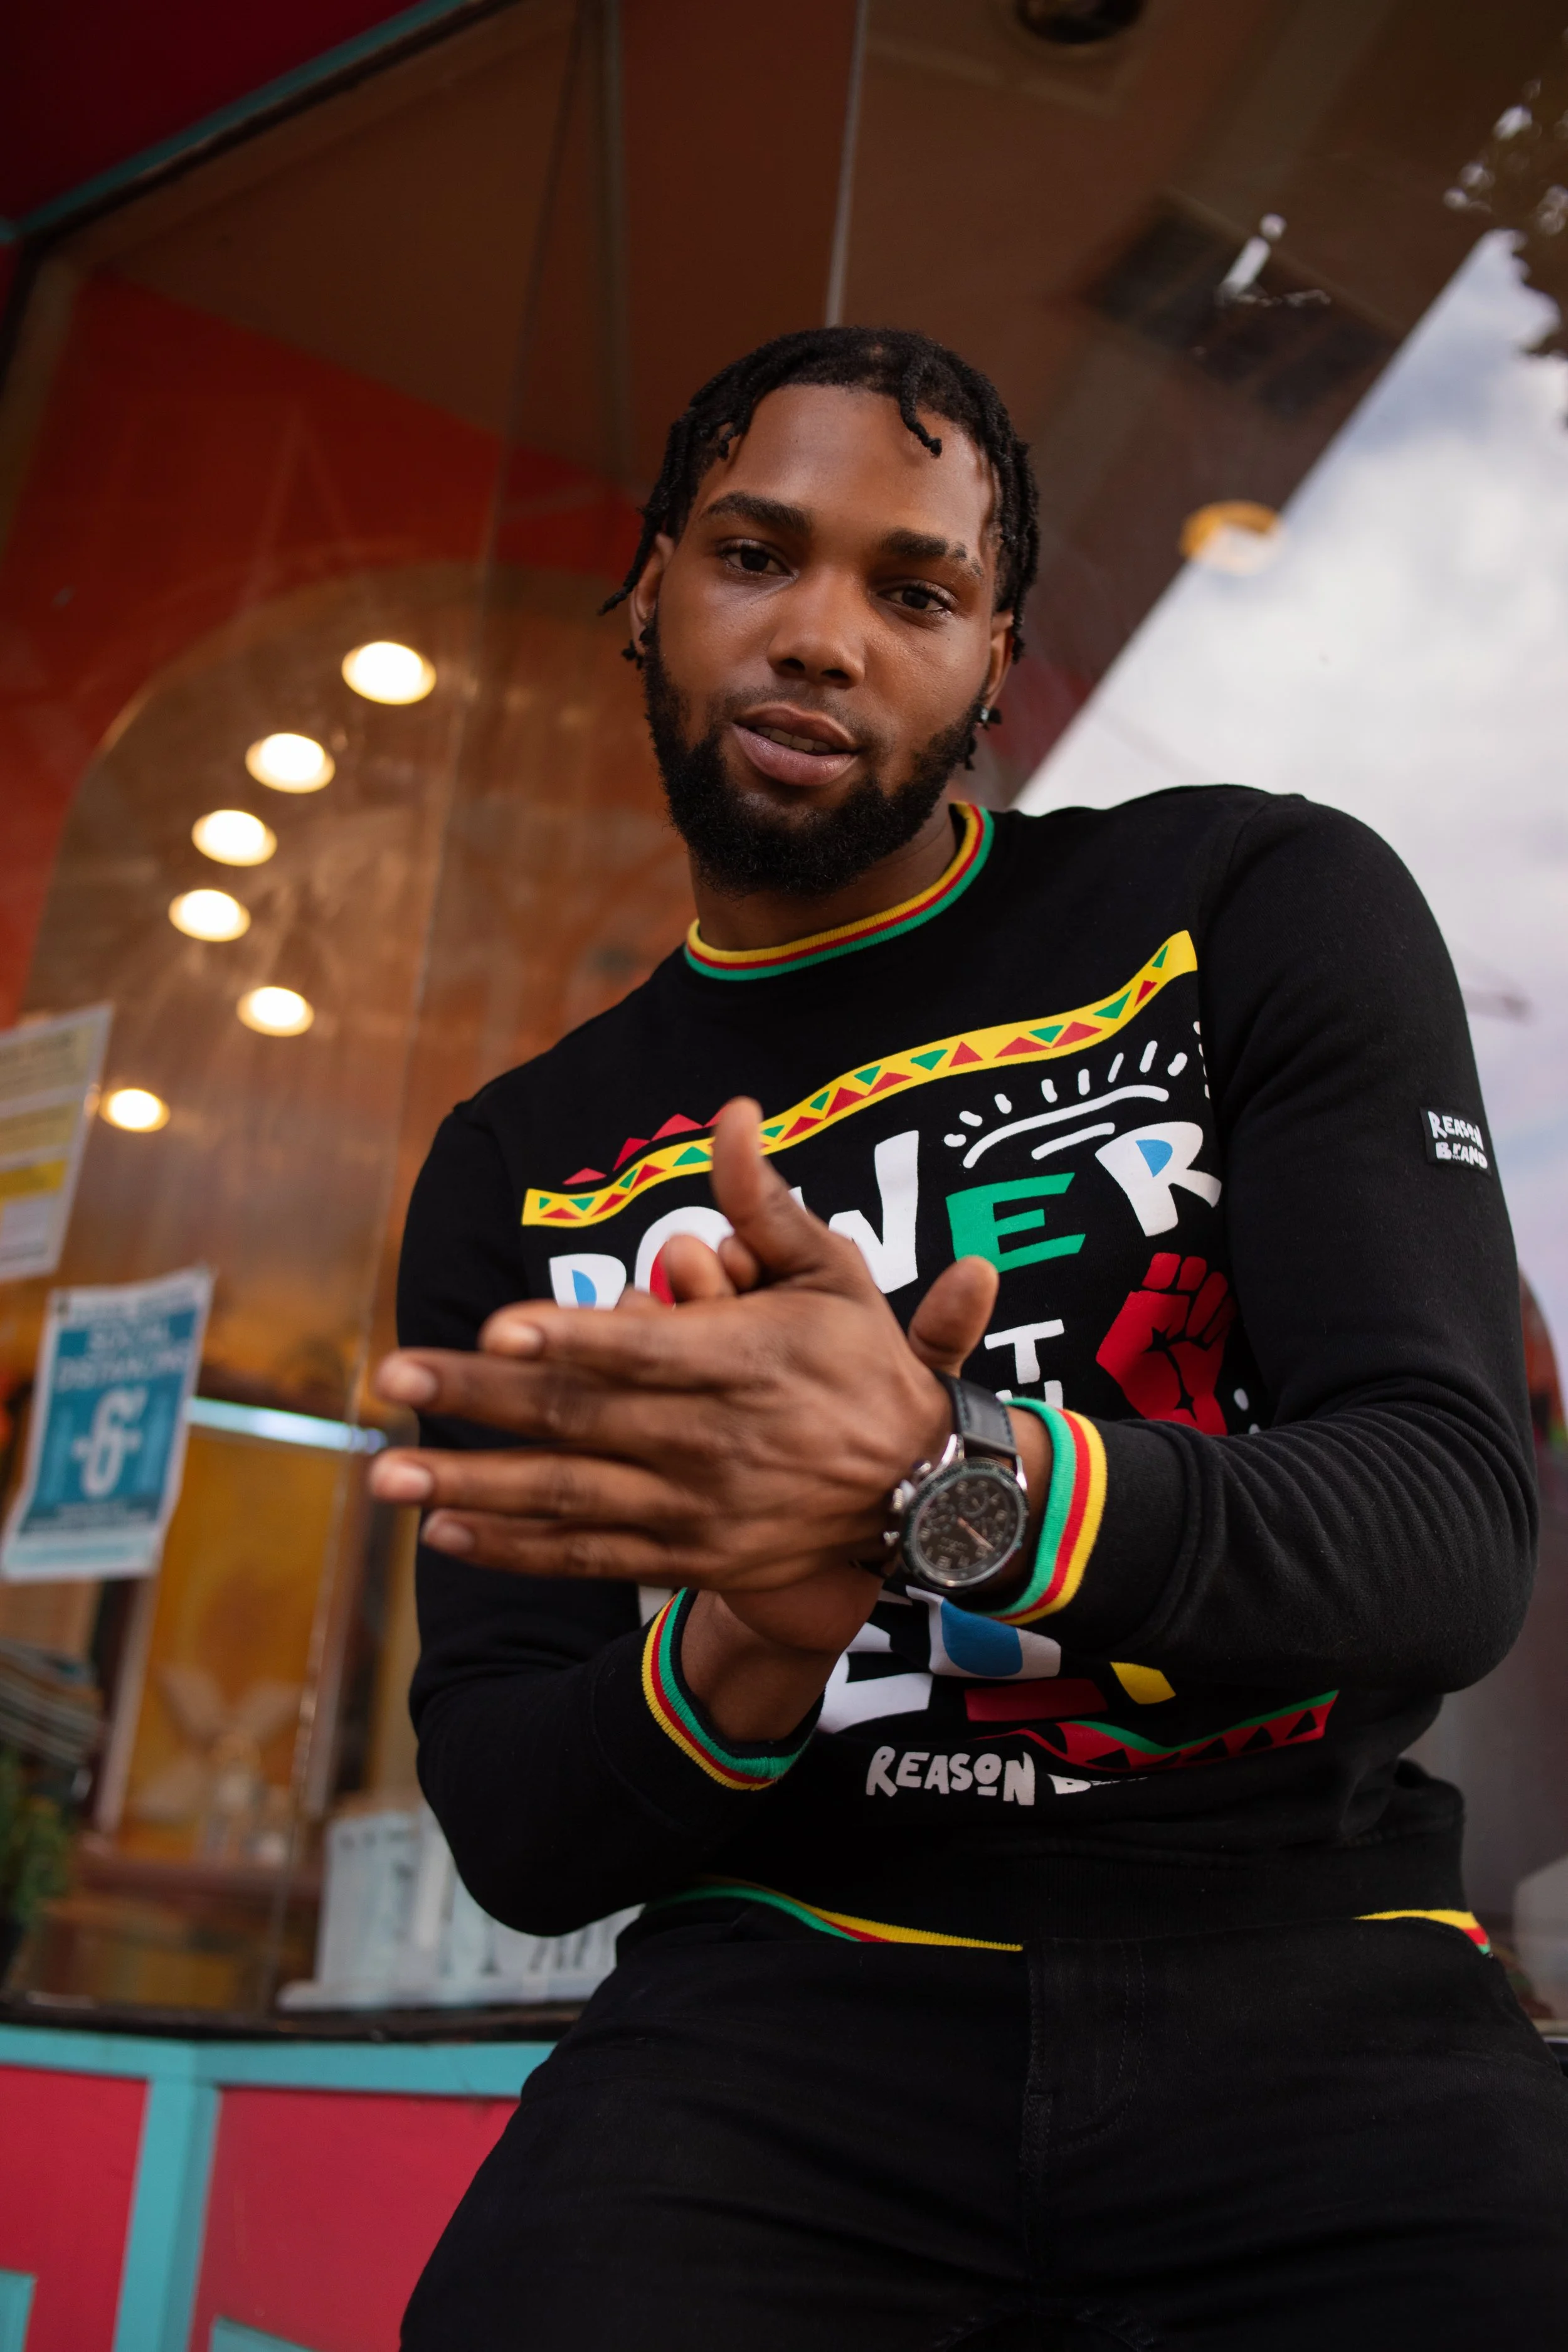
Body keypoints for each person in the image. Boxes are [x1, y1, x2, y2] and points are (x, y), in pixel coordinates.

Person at [379, 328, 1568, 2349]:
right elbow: (514, 1818)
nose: (822, 636)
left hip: (1310, 1973)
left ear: (998, 653)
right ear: (649, 584)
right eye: (759, 553)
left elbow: (1449, 1527)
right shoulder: (528, 1162)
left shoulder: (1246, 901)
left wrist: (955, 1479)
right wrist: (759, 1618)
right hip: (776, 2005)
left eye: (911, 589)